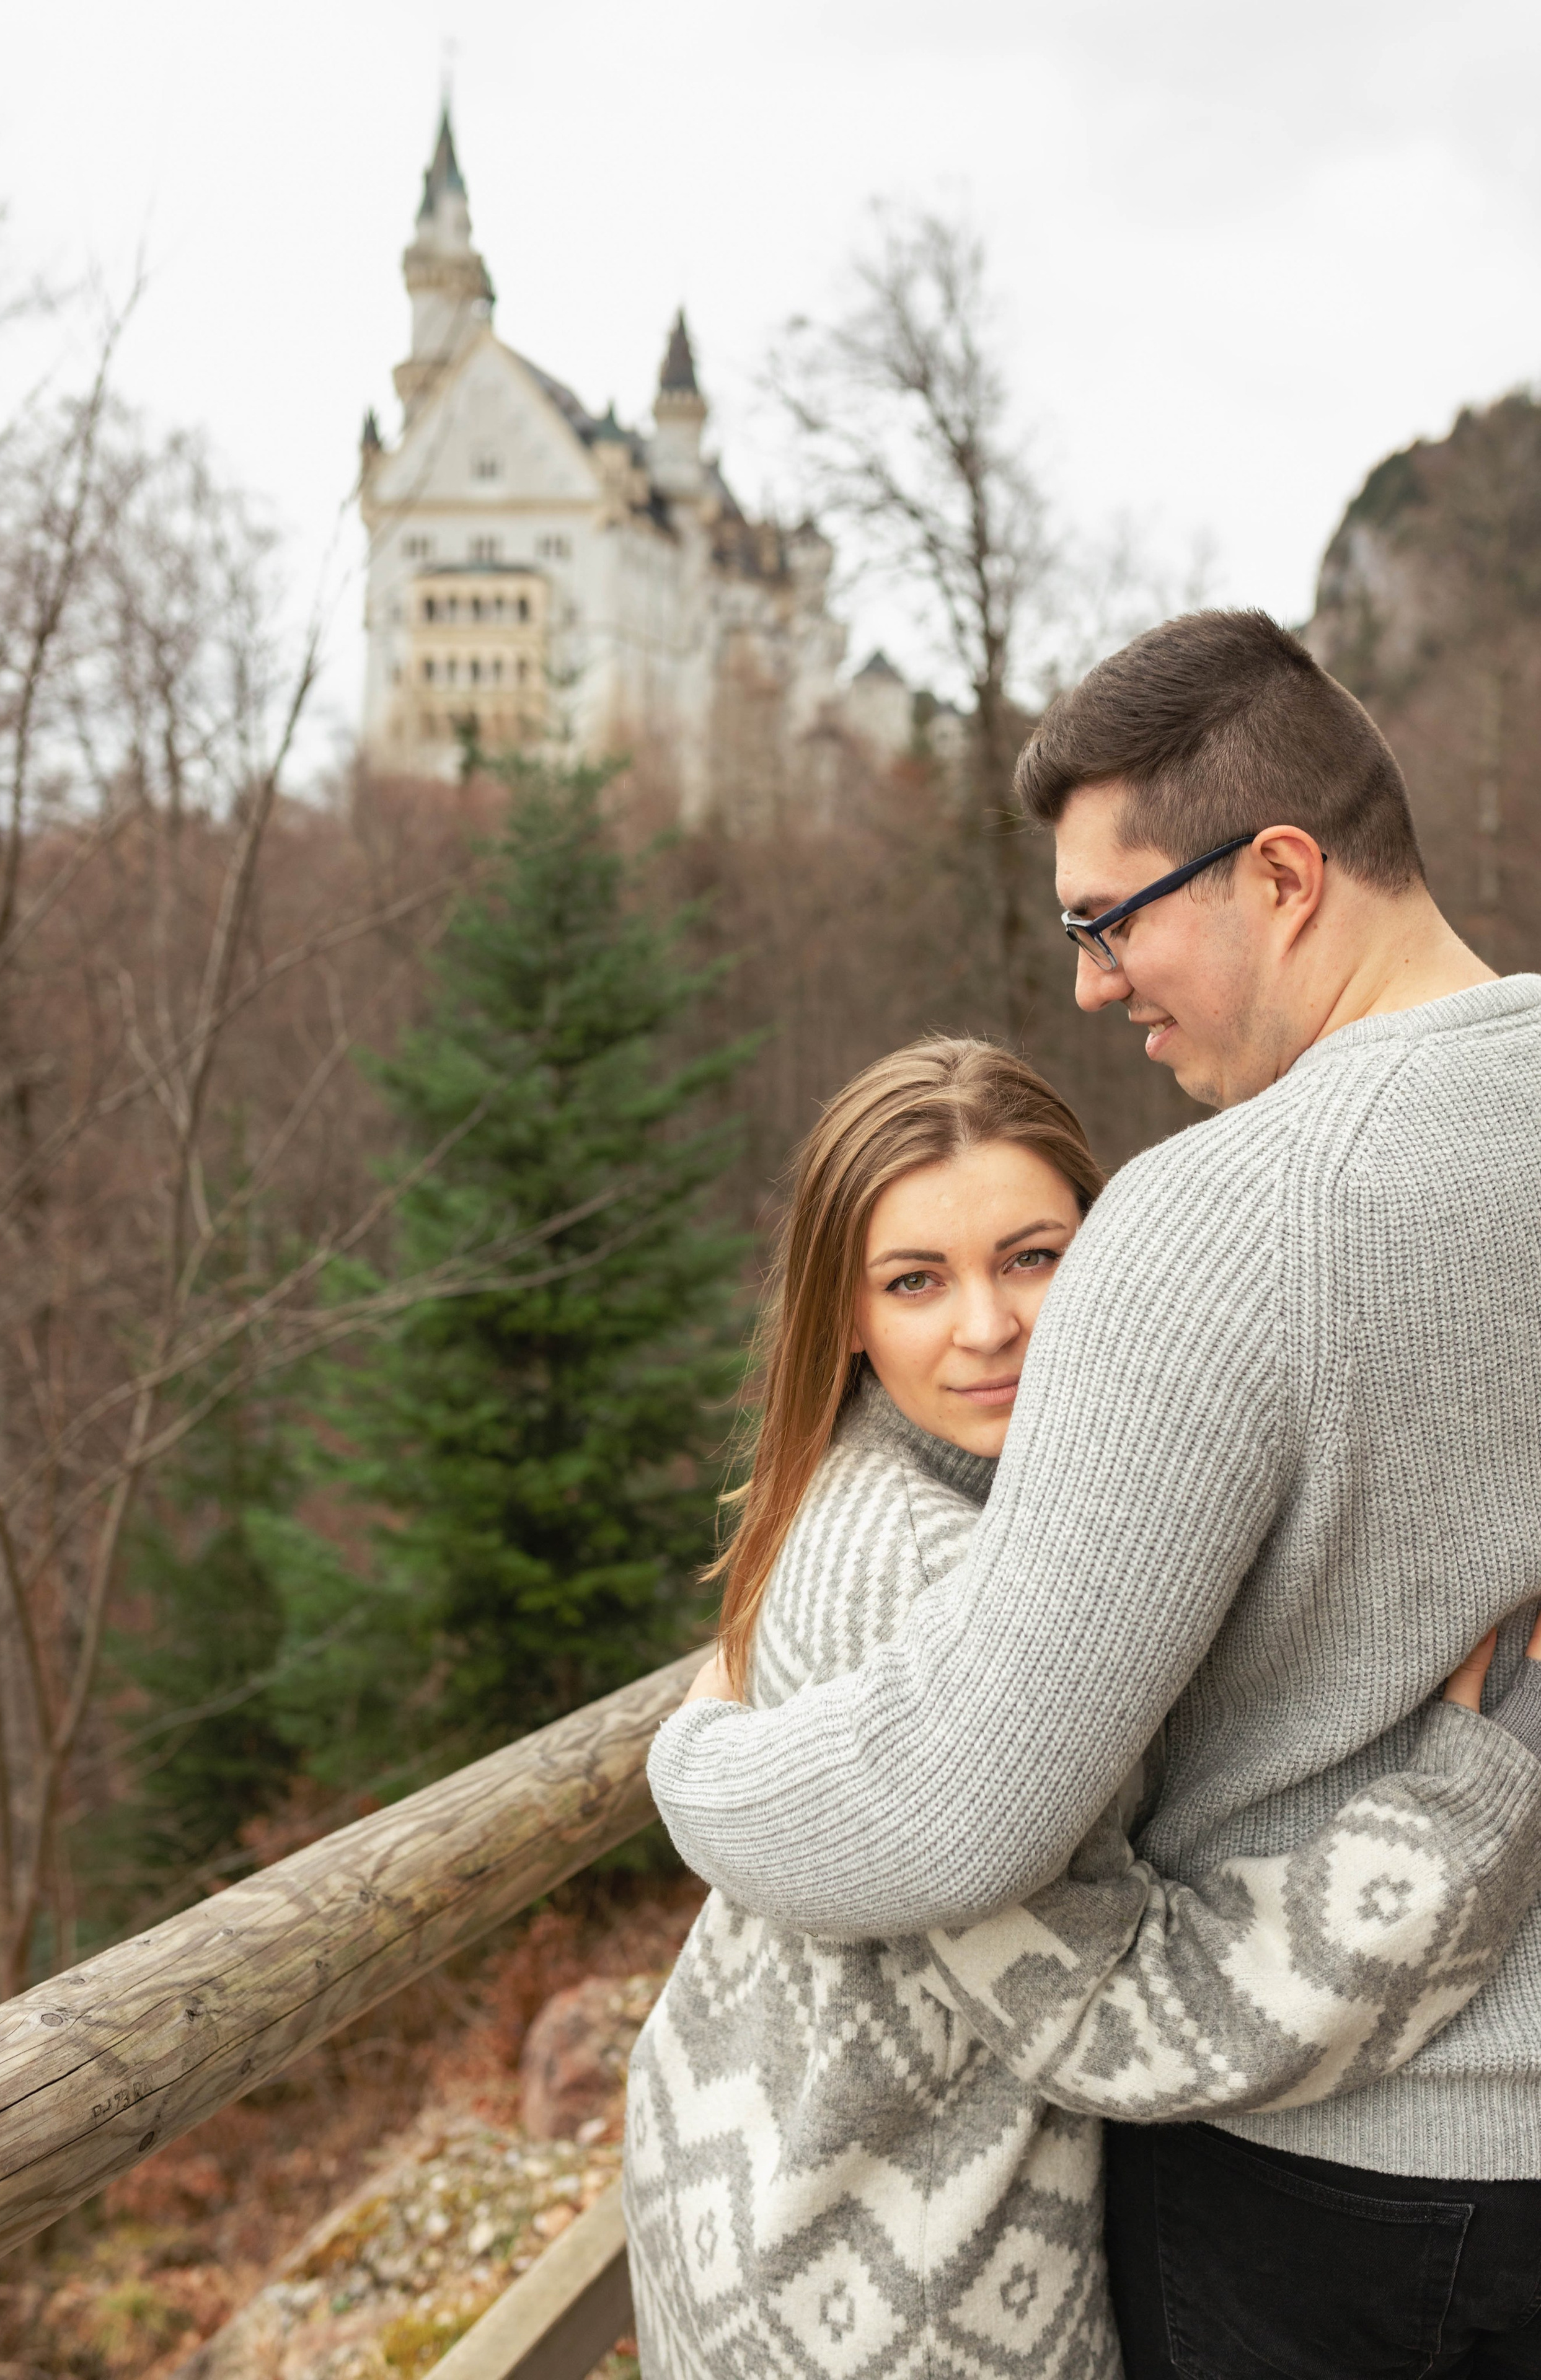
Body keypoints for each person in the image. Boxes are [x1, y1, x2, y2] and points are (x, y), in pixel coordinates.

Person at [648, 612, 1541, 2376]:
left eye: (1111, 921)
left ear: (1280, 874)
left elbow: (954, 1808)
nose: (1090, 984)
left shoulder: (1219, 1216)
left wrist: (695, 1765)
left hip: (1333, 2178)